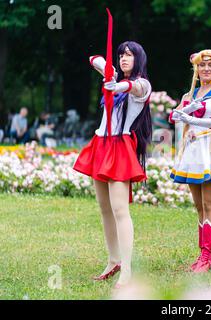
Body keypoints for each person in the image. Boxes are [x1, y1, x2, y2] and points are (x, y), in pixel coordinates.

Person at [73, 41, 152, 288]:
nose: (124, 58)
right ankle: (113, 260)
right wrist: (109, 71)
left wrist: (117, 84)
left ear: (139, 58)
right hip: (101, 143)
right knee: (104, 208)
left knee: (120, 210)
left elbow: (135, 87)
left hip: (120, 146)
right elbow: (92, 57)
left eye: (129, 55)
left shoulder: (142, 85)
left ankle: (127, 268)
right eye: (121, 55)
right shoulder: (115, 77)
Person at [168, 50, 211, 273]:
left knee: (210, 203)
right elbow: (173, 117)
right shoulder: (190, 94)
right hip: (192, 151)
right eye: (202, 65)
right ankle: (203, 254)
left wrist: (189, 118)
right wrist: (183, 112)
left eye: (210, 65)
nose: (206, 68)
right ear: (196, 69)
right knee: (199, 206)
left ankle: (206, 256)